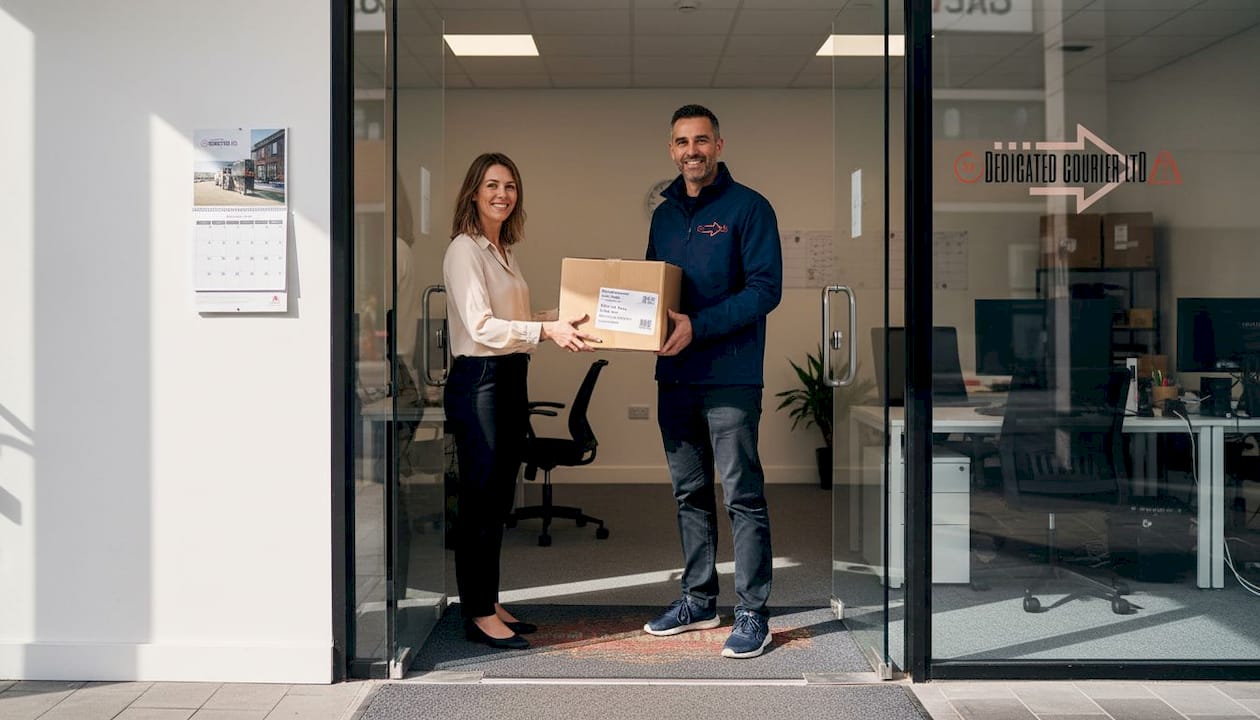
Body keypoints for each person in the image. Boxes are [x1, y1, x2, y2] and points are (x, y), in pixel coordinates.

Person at [642, 105, 783, 659]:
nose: (691, 150)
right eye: (681, 141)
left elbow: (764, 289)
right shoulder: (663, 215)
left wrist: (698, 326)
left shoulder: (749, 208)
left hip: (730, 377)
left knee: (741, 494)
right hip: (675, 376)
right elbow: (653, 287)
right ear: (671, 149)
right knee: (689, 494)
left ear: (719, 145)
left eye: (701, 140)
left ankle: (753, 612)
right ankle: (698, 600)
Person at [443, 152, 597, 650]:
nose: (502, 194)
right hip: (480, 382)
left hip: (509, 378)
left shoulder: (501, 250)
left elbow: (518, 316)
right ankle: (477, 613)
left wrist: (566, 317)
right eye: (491, 185)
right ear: (473, 192)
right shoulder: (464, 250)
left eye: (510, 186)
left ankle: (487, 600)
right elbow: (481, 328)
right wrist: (544, 328)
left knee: (498, 500)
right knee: (481, 502)